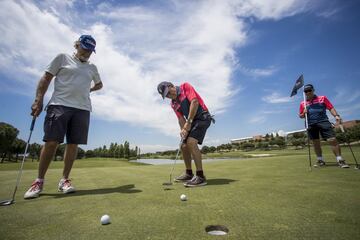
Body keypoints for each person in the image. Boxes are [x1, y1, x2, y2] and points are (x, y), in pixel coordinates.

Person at [24, 35, 103, 199]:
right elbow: (46, 78)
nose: (87, 52)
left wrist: (89, 89)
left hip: (82, 109)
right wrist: (38, 100)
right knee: (52, 142)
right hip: (59, 105)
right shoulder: (62, 58)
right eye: (85, 48)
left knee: (73, 144)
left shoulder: (92, 67)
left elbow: (100, 84)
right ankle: (39, 181)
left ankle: (64, 180)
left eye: (90, 50)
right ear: (77, 45)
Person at [157, 81, 214, 187]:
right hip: (191, 121)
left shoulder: (185, 87)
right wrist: (184, 131)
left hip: (202, 117)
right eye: (167, 95)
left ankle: (200, 176)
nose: (170, 96)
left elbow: (195, 102)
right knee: (183, 145)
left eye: (169, 92)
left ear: (171, 86)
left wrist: (188, 124)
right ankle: (188, 173)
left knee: (191, 142)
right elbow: (180, 118)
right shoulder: (173, 104)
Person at [299, 84, 349, 168]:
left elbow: (330, 107)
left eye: (309, 90)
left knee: (332, 139)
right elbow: (301, 116)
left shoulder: (322, 98)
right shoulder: (303, 103)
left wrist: (336, 116)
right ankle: (320, 160)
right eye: (306, 91)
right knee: (316, 143)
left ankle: (340, 159)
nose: (308, 92)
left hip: (323, 121)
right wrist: (304, 112)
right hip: (311, 124)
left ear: (313, 90)